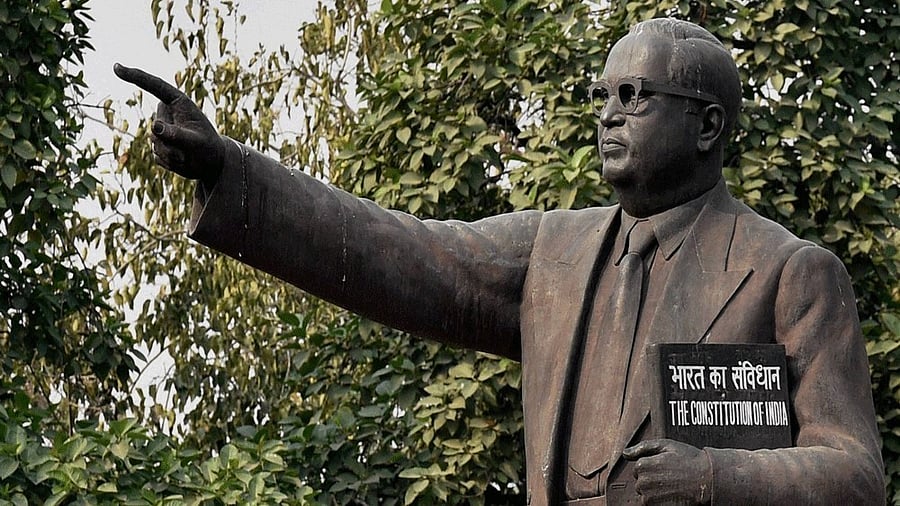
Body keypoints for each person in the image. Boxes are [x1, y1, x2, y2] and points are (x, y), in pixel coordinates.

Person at [115, 18, 884, 505]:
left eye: (635, 94)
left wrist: (717, 479)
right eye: (602, 94)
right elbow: (399, 250)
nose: (608, 112)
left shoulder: (790, 272)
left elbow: (853, 473)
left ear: (709, 125)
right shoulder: (554, 249)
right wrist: (230, 171)